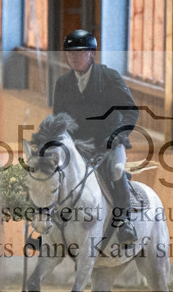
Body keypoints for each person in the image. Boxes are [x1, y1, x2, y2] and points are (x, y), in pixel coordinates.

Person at [52, 29, 139, 244]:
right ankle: (50, 226)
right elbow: (59, 118)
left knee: (118, 170)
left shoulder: (109, 77)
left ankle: (125, 220)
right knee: (54, 173)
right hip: (78, 147)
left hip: (109, 143)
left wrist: (118, 134)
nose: (73, 57)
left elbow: (131, 110)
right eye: (69, 52)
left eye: (79, 52)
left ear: (92, 53)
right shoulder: (63, 83)